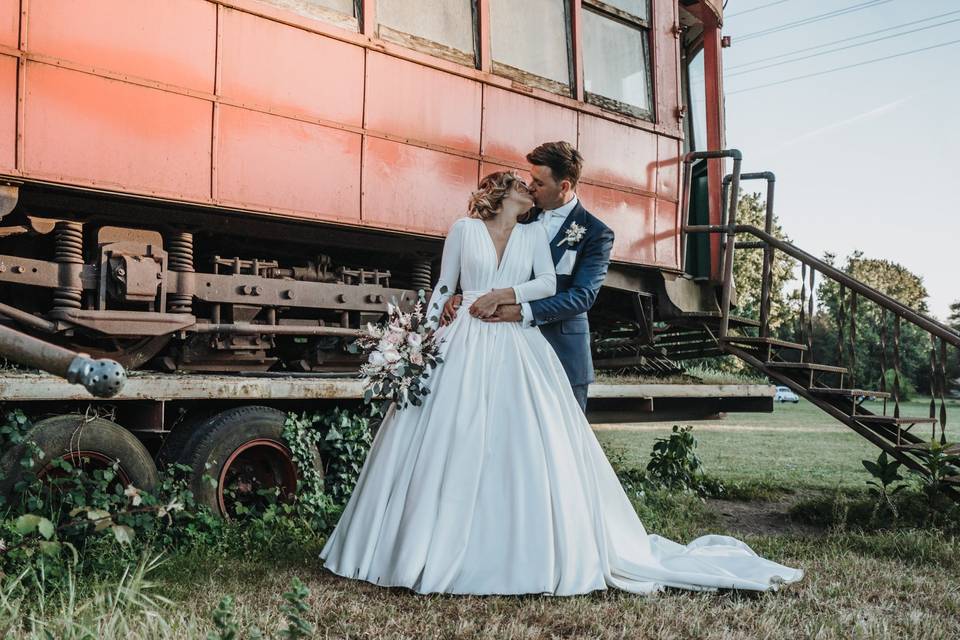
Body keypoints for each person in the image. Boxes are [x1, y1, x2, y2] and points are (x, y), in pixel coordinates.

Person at [318, 170, 803, 596]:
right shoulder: (463, 230)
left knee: (524, 437)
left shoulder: (531, 237)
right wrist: (420, 339)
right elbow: (446, 287)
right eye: (521, 183)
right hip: (464, 336)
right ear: (501, 192)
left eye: (536, 182)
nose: (529, 188)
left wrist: (506, 295)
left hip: (514, 335)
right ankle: (424, 544)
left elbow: (550, 285)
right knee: (450, 432)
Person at [442, 142, 610, 412]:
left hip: (561, 346)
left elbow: (582, 296)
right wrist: (466, 294)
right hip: (502, 349)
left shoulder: (595, 232)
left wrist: (521, 311)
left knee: (562, 441)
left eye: (539, 182)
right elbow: (492, 262)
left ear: (564, 186)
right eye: (530, 179)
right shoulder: (522, 217)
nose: (530, 186)